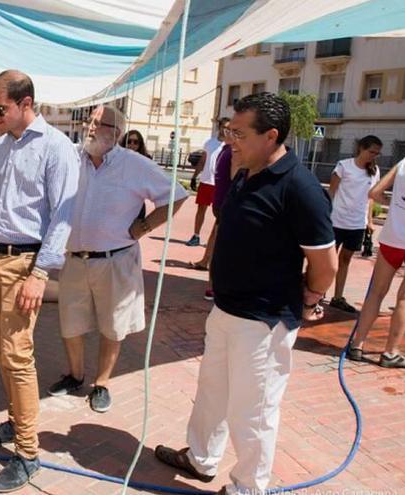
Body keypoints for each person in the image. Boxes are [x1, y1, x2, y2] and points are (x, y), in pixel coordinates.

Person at [155, 93, 337, 494]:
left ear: (271, 135)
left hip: (265, 320)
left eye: (239, 133)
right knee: (212, 392)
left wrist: (309, 301)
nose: (230, 140)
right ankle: (201, 459)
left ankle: (248, 487)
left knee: (252, 411)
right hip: (226, 308)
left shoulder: (300, 188)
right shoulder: (245, 172)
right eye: (228, 131)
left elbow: (325, 267)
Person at [0, 70, 78, 493]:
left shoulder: (57, 148)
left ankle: (28, 455)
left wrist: (40, 273)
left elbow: (63, 218)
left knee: (17, 355)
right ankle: (14, 424)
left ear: (25, 103)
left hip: (23, 265)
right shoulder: (1, 146)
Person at [48, 105, 187, 413]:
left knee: (113, 325)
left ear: (117, 133)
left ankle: (102, 383)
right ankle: (75, 374)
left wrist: (147, 225)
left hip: (116, 259)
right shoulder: (73, 157)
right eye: (89, 121)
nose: (90, 128)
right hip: (74, 258)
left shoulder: (134, 164)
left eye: (99, 123)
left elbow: (177, 195)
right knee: (70, 323)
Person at [347, 155, 405, 368]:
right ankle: (391, 352)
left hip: (392, 238)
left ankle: (357, 345)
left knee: (376, 292)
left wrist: (395, 205)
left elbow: (374, 193)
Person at [327, 135, 382, 313]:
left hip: (356, 224)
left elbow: (371, 197)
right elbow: (331, 192)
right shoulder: (344, 166)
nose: (373, 156)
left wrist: (370, 221)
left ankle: (337, 297)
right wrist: (324, 215)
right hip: (336, 220)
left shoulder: (374, 171)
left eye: (377, 153)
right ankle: (316, 293)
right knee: (328, 260)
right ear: (361, 148)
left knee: (345, 260)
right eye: (371, 151)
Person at [193, 122, 237, 301]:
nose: (228, 132)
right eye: (228, 129)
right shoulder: (230, 152)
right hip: (226, 203)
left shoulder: (227, 150)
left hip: (223, 202)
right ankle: (213, 286)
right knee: (222, 245)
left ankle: (211, 276)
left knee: (217, 239)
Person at [186, 118, 229, 247]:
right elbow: (203, 160)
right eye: (224, 127)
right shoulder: (210, 143)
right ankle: (196, 236)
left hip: (220, 184)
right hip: (206, 181)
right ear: (219, 127)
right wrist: (194, 177)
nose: (225, 130)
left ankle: (216, 240)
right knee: (201, 209)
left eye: (228, 128)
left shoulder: (230, 146)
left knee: (220, 213)